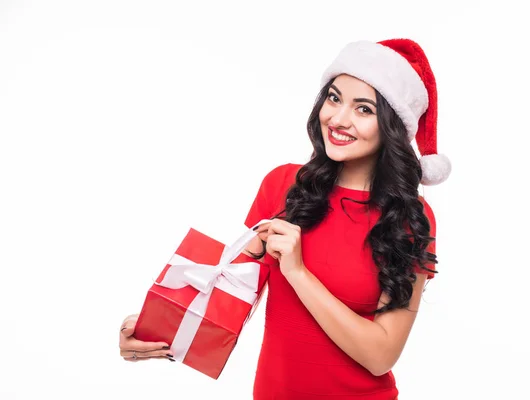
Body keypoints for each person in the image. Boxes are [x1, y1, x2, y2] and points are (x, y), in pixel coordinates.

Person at [118, 38, 451, 399]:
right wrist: (155, 328)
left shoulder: (410, 217)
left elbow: (381, 355)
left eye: (364, 109)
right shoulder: (285, 185)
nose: (338, 119)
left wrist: (298, 272)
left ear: (392, 125)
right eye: (334, 98)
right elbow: (231, 290)